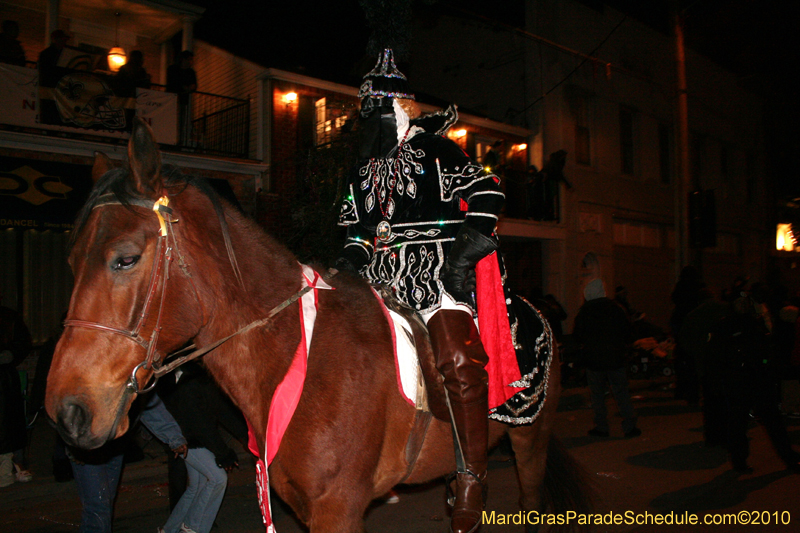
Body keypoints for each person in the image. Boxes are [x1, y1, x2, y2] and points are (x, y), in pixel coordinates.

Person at [336, 49, 505, 533]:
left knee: (457, 359)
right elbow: (356, 230)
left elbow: (489, 191)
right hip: (376, 280)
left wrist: (461, 258)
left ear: (400, 110)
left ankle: (471, 477)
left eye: (377, 111)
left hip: (433, 271)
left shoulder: (438, 150)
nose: (369, 120)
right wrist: (350, 260)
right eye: (365, 112)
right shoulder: (361, 169)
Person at [706, 293, 800, 473]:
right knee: (740, 422)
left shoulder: (752, 323)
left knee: (770, 420)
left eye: (745, 302)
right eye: (739, 303)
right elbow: (715, 356)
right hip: (740, 380)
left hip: (756, 379)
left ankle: (787, 457)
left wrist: (768, 367)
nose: (742, 306)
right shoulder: (725, 326)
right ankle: (741, 460)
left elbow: (767, 349)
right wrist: (716, 381)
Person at [68, 393, 187, 533]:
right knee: (98, 506)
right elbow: (69, 405)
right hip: (89, 447)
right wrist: (77, 444)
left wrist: (174, 437)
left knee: (104, 504)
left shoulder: (130, 381)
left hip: (115, 446)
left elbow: (148, 403)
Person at [157, 362, 247, 533]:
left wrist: (245, 436)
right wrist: (223, 453)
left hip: (189, 438)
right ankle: (193, 527)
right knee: (217, 479)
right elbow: (200, 424)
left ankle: (170, 529)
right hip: (187, 440)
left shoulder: (200, 380)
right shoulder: (190, 384)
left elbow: (221, 411)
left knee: (198, 485)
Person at [573, 278, 640, 438]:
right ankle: (629, 426)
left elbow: (578, 336)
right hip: (615, 358)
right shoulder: (616, 309)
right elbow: (627, 332)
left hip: (594, 360)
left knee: (597, 395)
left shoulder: (585, 312)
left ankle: (602, 427)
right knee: (621, 393)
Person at [0, 289, 32, 487]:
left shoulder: (8, 318)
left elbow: (23, 343)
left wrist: (9, 355)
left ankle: (10, 468)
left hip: (3, 382)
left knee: (7, 427)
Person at [167, 50, 197, 145]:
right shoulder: (173, 69)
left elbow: (194, 86)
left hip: (183, 101)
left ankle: (178, 141)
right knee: (171, 120)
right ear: (183, 59)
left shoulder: (191, 72)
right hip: (172, 100)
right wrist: (185, 87)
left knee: (181, 121)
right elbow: (173, 83)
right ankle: (169, 140)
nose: (191, 62)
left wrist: (188, 88)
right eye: (189, 59)